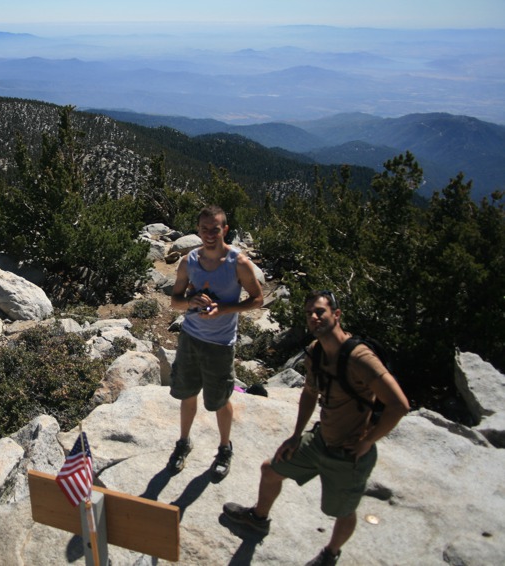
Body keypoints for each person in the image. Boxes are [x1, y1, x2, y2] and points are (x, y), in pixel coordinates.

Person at [222, 290, 410, 566]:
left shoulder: (360, 358)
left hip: (348, 454)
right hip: (320, 439)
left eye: (320, 311)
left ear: (336, 314)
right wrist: (296, 435)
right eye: (309, 312)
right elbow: (310, 393)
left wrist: (368, 441)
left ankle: (330, 554)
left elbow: (399, 405)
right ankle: (258, 519)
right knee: (271, 470)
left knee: (343, 511)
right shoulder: (316, 352)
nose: (313, 316)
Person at [167, 205, 264, 479]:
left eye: (216, 229)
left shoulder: (238, 263)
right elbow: (175, 301)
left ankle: (224, 447)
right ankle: (183, 442)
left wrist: (224, 309)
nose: (210, 234)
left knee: (220, 399)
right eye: (205, 229)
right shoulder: (189, 261)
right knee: (187, 393)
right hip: (190, 338)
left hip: (220, 343)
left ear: (225, 230)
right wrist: (190, 302)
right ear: (198, 230)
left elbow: (258, 299)